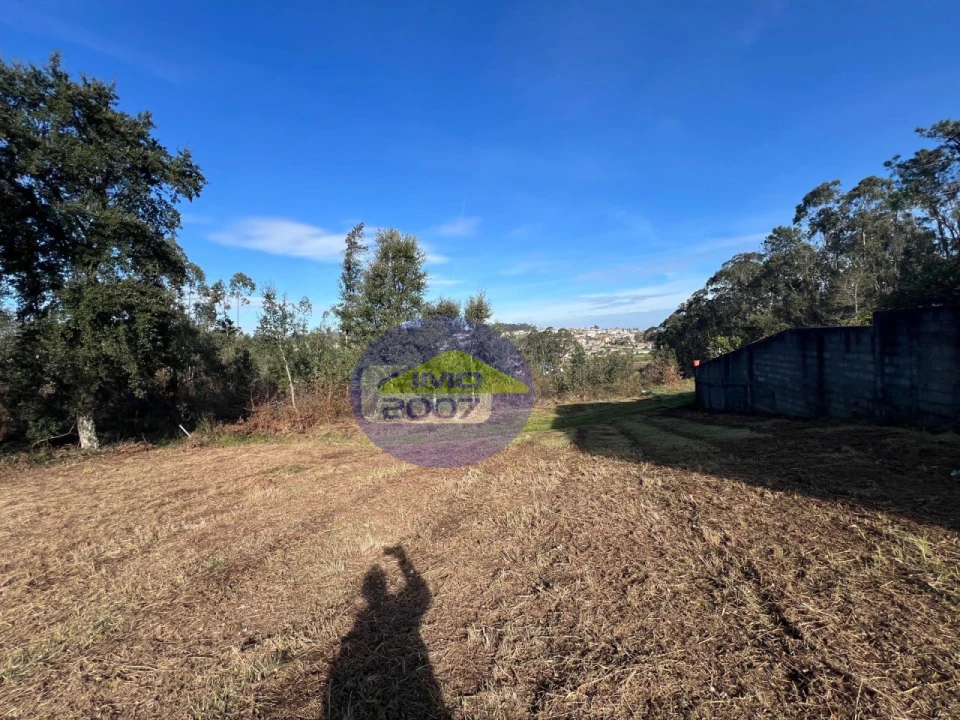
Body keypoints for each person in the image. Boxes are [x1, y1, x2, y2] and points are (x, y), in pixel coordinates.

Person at [322, 546, 449, 719]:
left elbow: (422, 594)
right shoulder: (367, 617)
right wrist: (401, 558)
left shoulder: (363, 618)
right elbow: (422, 593)